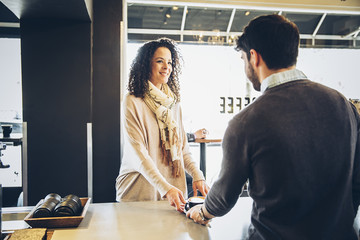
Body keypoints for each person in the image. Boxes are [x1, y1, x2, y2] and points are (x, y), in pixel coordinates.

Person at [187, 14, 360, 239]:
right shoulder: (344, 105)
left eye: (242, 59)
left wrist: (202, 211)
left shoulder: (245, 122)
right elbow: (357, 181)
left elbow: (223, 198)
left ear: (254, 57)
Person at [116, 38, 209, 212]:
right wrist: (165, 188)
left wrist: (198, 175)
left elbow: (182, 149)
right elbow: (139, 154)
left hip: (173, 195)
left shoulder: (173, 103)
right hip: (138, 194)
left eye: (170, 62)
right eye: (160, 61)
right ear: (145, 65)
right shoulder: (132, 101)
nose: (167, 67)